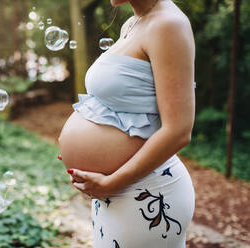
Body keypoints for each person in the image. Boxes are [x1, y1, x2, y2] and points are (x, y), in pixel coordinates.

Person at [58, 0, 196, 247]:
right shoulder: (132, 23)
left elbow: (179, 131)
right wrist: (84, 153)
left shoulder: (168, 24)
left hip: (147, 193)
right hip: (115, 193)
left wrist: (112, 181)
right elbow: (120, 106)